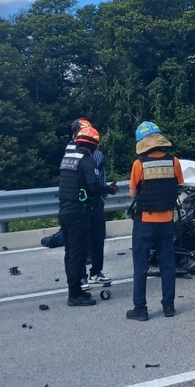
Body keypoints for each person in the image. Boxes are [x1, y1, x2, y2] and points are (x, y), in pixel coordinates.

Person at [127, 121, 184, 321]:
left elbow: (133, 194)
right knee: (168, 264)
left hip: (145, 221)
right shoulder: (174, 161)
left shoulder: (139, 164)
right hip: (167, 220)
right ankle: (169, 306)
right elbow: (178, 185)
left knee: (141, 266)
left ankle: (140, 309)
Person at [57, 125, 105, 307]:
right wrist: (108, 189)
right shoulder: (87, 161)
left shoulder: (67, 159)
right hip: (78, 213)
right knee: (78, 253)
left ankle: (73, 289)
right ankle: (75, 294)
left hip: (64, 211)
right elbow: (93, 186)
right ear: (93, 145)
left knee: (70, 253)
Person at [70, 119, 118, 286]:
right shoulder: (71, 152)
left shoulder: (95, 155)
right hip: (81, 202)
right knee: (81, 241)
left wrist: (102, 195)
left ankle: (95, 272)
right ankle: (83, 275)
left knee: (97, 238)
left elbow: (99, 177)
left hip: (94, 200)